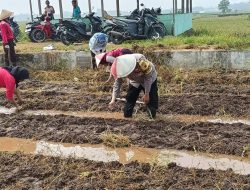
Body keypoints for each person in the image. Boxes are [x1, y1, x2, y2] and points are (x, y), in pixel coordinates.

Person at [109, 54, 158, 118]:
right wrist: (113, 100)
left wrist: (147, 94)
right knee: (129, 102)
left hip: (149, 80)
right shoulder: (120, 67)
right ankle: (128, 116)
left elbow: (147, 79)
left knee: (152, 104)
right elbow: (117, 83)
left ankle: (151, 115)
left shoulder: (142, 63)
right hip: (134, 82)